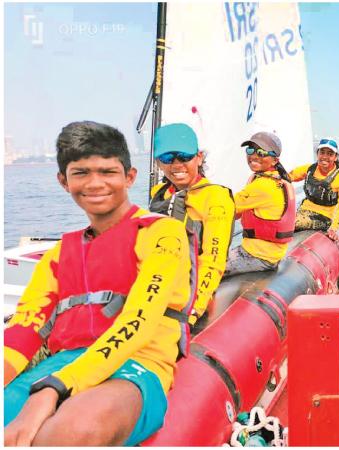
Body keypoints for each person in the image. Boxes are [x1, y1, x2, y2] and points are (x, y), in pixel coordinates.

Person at [4, 121, 192, 446]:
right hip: (62, 362)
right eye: (81, 173)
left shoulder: (163, 234)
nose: (95, 183)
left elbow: (139, 320)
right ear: (63, 181)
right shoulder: (59, 255)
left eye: (107, 172)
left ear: (129, 177)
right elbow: (23, 330)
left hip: (135, 364)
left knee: (75, 430)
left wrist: (57, 386)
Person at [149, 123, 235, 324]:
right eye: (167, 159)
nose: (176, 165)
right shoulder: (160, 194)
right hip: (157, 284)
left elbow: (213, 260)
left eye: (184, 157)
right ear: (158, 163)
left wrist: (193, 308)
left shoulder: (216, 198)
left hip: (187, 291)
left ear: (199, 157)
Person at [224, 131, 295, 277]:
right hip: (269, 254)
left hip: (257, 256)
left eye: (262, 152)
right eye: (250, 150)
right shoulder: (275, 179)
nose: (254, 155)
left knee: (202, 268)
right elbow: (236, 212)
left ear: (275, 160)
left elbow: (224, 208)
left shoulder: (263, 185)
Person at [288, 138, 339, 241]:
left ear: (336, 157)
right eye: (322, 152)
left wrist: (334, 229)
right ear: (317, 153)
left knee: (291, 223)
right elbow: (288, 177)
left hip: (324, 218)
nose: (325, 157)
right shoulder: (310, 169)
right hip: (303, 212)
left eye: (330, 154)